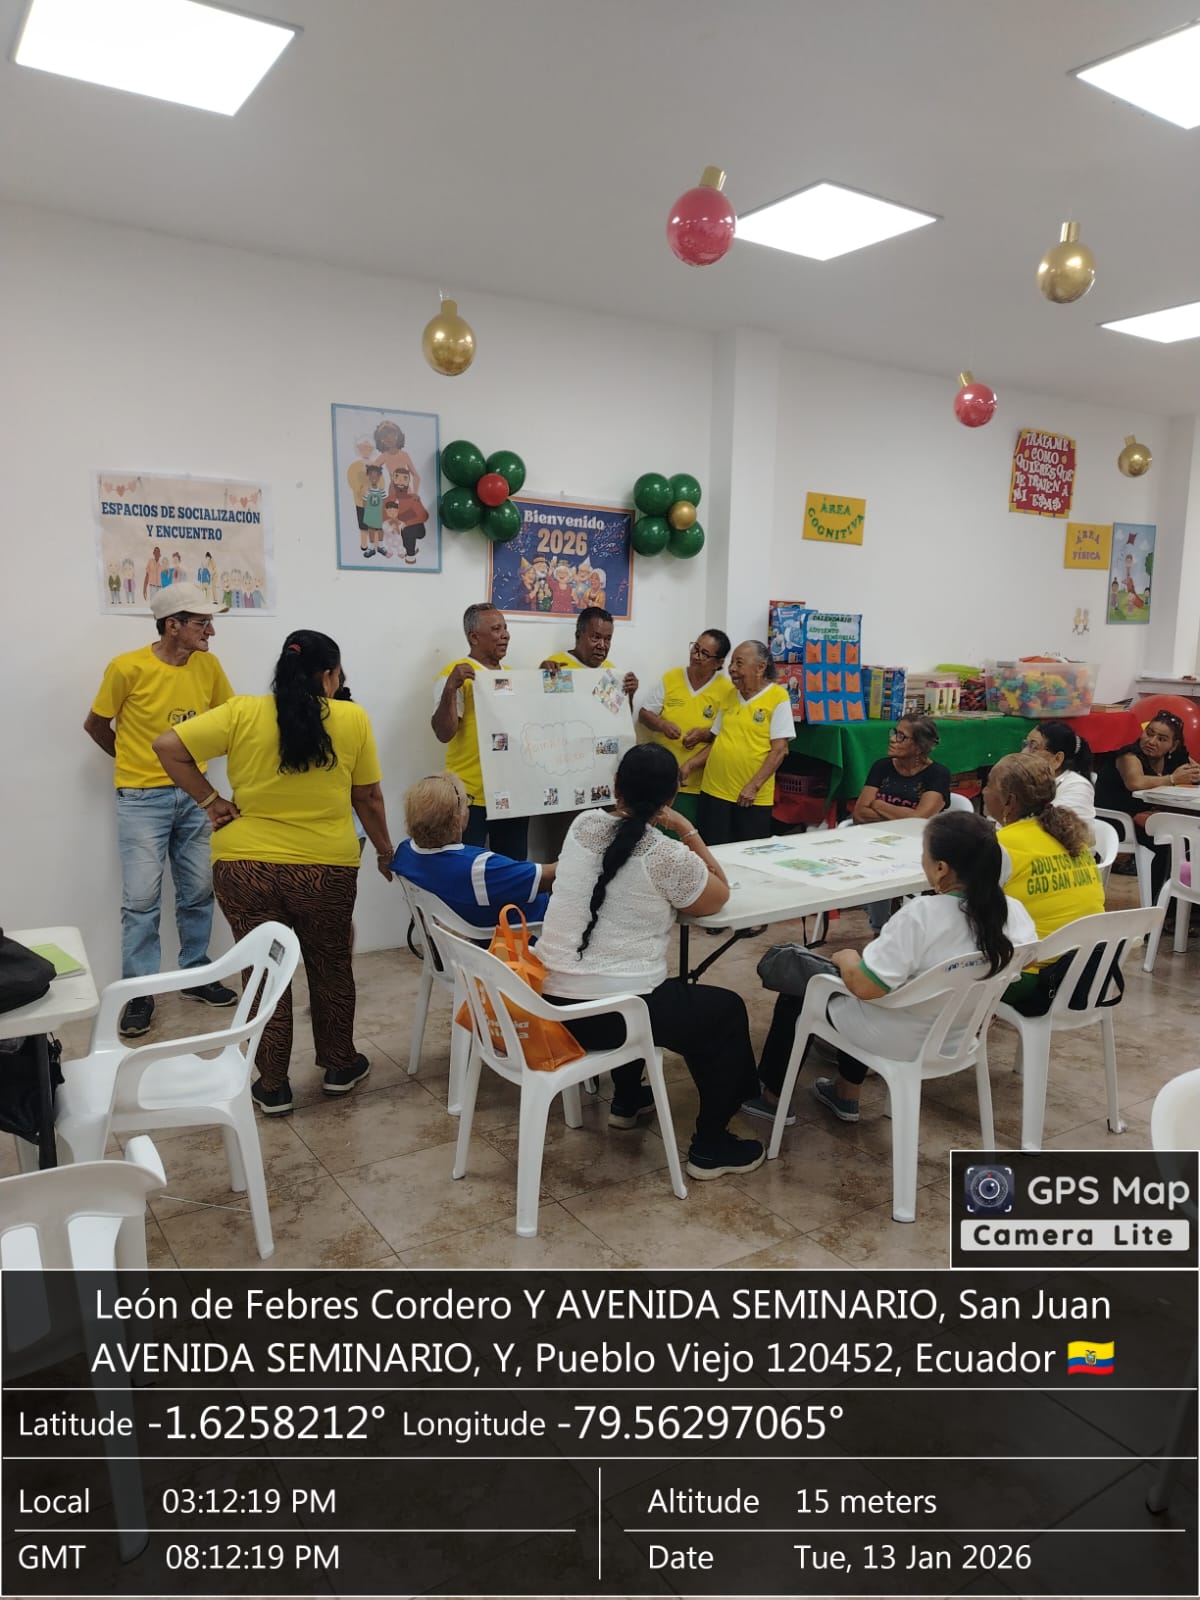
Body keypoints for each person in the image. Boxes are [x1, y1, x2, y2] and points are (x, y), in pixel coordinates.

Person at [153, 630, 396, 1116]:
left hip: (245, 868)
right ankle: (339, 1066)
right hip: (324, 870)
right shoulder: (351, 718)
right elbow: (367, 797)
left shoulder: (243, 712)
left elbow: (167, 745)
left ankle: (271, 1084)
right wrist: (385, 851)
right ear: (328, 675)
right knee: (330, 966)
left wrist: (211, 802)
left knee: (263, 971)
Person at [536, 744, 764, 1178]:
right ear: (671, 797)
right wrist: (687, 829)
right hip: (611, 1017)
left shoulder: (583, 825)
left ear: (615, 786)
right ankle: (711, 1146)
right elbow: (718, 894)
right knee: (725, 1011)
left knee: (641, 984)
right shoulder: (666, 855)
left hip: (551, 1005)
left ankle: (626, 1100)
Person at [744, 812, 1035, 1126]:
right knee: (876, 977)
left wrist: (846, 958)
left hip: (896, 1034)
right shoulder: (1011, 911)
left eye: (923, 854)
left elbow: (866, 987)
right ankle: (845, 1091)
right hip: (959, 1035)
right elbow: (1028, 958)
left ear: (941, 868)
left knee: (806, 991)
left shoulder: (921, 914)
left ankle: (772, 1098)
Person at [84, 582, 238, 1038]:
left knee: (199, 889)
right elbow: (96, 725)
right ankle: (139, 993)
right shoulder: (126, 667)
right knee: (140, 900)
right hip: (141, 799)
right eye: (202, 623)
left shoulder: (209, 666)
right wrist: (134, 762)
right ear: (173, 625)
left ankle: (195, 973)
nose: (210, 631)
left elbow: (228, 720)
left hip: (195, 796)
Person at [982, 752, 1106, 1014]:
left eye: (989, 784)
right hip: (1089, 972)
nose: (983, 791)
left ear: (1009, 801)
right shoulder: (1070, 835)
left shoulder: (1001, 845)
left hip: (1038, 983)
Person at [392, 773, 555, 931]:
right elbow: (553, 876)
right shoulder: (480, 868)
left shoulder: (405, 853)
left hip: (464, 940)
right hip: (526, 937)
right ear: (458, 818)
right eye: (466, 802)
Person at [433, 603, 528, 858]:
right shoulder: (455, 674)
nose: (505, 635)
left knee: (512, 868)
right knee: (465, 867)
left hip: (511, 793)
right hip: (470, 795)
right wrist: (451, 688)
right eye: (496, 629)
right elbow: (443, 733)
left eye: (505, 628)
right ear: (474, 637)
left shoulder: (514, 677)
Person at [854, 716, 951, 930]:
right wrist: (904, 815)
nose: (892, 739)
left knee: (881, 866)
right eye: (894, 732)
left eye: (901, 736)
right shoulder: (882, 766)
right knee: (872, 860)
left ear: (918, 747)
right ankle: (881, 928)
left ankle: (887, 928)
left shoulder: (937, 774)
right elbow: (859, 813)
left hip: (916, 845)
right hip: (876, 839)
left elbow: (918, 821)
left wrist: (878, 804)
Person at [1094, 710, 1200, 900]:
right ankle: (1161, 904)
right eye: (1149, 733)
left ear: (1173, 745)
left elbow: (1194, 772)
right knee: (1169, 841)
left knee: (1191, 835)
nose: (1151, 741)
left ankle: (1188, 904)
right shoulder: (1128, 754)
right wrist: (1173, 779)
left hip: (1148, 816)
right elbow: (1135, 782)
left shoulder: (1176, 755)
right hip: (1118, 819)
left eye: (1162, 739)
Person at [696, 640, 791, 845]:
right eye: (731, 663)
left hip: (749, 798)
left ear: (760, 667)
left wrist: (753, 787)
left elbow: (779, 750)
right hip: (714, 792)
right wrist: (689, 765)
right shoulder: (730, 696)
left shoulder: (778, 697)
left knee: (745, 854)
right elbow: (717, 741)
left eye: (739, 663)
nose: (731, 669)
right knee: (712, 852)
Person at [638, 630, 734, 826]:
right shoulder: (672, 677)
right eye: (695, 648)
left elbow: (725, 736)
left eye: (704, 654)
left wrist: (705, 734)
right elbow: (644, 715)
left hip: (697, 784)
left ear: (719, 662)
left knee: (686, 834)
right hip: (661, 778)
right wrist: (662, 725)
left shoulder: (727, 691)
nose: (696, 656)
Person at [541, 607, 638, 700]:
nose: (602, 645)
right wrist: (541, 678)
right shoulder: (557, 666)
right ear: (578, 636)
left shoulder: (610, 672)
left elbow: (610, 711)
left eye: (607, 639)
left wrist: (629, 696)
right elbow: (548, 707)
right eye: (596, 637)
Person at [1022, 722, 1095, 837]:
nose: (1023, 753)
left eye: (1033, 747)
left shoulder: (1078, 786)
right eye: (1025, 745)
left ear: (1057, 759)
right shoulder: (1028, 780)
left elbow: (1056, 829)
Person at [360, 463, 387, 558]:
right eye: (371, 475)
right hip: (371, 514)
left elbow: (384, 502)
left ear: (379, 476)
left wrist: (384, 513)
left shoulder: (382, 491)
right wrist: (368, 512)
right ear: (368, 476)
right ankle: (371, 548)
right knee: (371, 530)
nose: (374, 478)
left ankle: (381, 546)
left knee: (380, 529)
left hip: (380, 514)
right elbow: (364, 502)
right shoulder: (367, 491)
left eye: (376, 475)